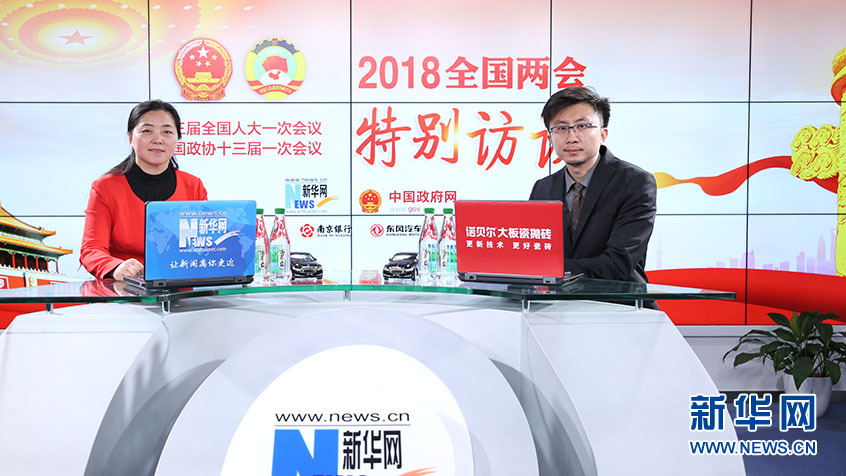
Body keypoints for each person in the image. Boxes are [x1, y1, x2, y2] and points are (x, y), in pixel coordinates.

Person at [529, 86, 656, 285]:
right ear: (549, 138)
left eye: (583, 126)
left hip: (616, 299)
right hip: (555, 301)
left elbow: (618, 263)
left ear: (603, 134)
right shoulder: (542, 188)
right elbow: (535, 252)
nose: (572, 137)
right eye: (561, 128)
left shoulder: (635, 182)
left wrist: (549, 269)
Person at [80, 100, 207, 281]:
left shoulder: (193, 186)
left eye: (167, 132)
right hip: (123, 287)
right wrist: (115, 267)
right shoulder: (105, 187)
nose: (158, 139)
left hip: (180, 286)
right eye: (147, 131)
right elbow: (91, 249)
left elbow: (203, 246)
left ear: (177, 139)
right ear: (131, 138)